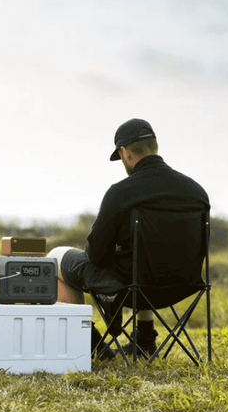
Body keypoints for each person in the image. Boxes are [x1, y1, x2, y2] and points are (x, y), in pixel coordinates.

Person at [49, 118, 210, 358]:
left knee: (56, 258)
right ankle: (145, 341)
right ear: (156, 147)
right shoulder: (197, 192)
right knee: (141, 260)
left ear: (125, 153)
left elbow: (97, 257)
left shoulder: (122, 192)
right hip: (182, 286)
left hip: (131, 288)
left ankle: (94, 345)